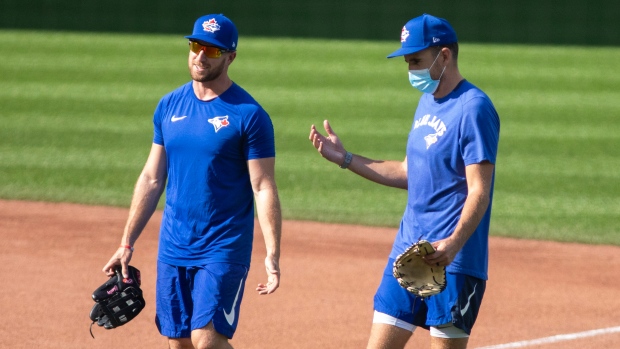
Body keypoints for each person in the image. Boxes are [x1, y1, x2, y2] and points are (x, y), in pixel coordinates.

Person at [309, 13, 499, 349]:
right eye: (407, 61)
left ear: (444, 55)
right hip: (407, 252)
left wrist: (453, 245)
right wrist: (346, 159)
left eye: (416, 60)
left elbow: (479, 191)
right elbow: (410, 172)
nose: (411, 69)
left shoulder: (474, 108)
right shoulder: (427, 102)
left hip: (452, 263)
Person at [102, 13, 282, 349]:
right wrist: (127, 241)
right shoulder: (169, 106)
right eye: (196, 45)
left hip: (223, 246)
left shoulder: (250, 115)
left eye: (212, 50)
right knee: (179, 342)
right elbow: (152, 177)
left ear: (230, 57)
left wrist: (272, 253)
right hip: (174, 244)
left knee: (206, 339)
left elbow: (263, 186)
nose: (200, 55)